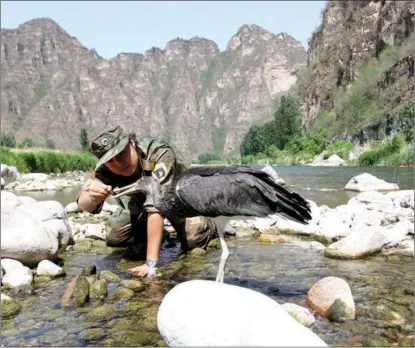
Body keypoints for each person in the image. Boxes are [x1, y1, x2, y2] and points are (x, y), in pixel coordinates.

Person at [77, 126, 218, 278]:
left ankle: (208, 224)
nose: (118, 163)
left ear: (132, 142)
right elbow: (83, 204)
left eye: (121, 153)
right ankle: (158, 234)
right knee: (115, 237)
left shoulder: (159, 152)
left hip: (179, 200)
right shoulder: (105, 168)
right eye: (110, 160)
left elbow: (156, 207)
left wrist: (150, 264)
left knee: (193, 239)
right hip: (140, 203)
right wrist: (92, 197)